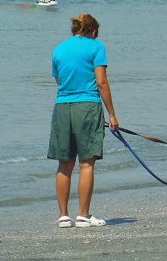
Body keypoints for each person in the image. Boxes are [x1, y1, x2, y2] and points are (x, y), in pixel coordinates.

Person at [48, 14, 119, 228]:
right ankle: (83, 215)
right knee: (86, 163)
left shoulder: (58, 49)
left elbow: (59, 80)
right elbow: (101, 82)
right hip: (87, 105)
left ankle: (63, 216)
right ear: (93, 31)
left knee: (64, 163)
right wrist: (112, 115)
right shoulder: (96, 47)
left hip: (62, 107)